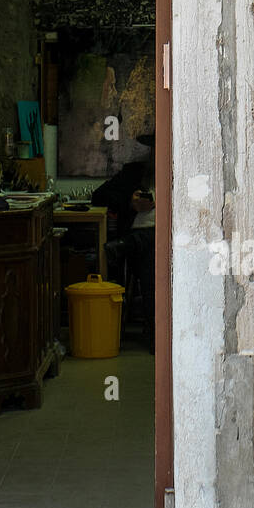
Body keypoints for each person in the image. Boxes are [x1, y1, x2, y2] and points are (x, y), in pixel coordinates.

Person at [94, 133, 156, 353]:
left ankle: (125, 245)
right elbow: (98, 196)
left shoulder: (181, 170)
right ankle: (155, 333)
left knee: (152, 248)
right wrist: (130, 202)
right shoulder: (133, 173)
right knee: (151, 259)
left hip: (166, 239)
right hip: (144, 242)